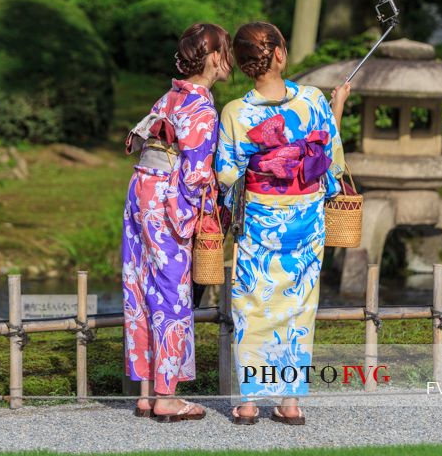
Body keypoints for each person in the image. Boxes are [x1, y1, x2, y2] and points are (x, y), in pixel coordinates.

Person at [215, 21, 350, 425]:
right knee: (299, 306)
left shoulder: (236, 112)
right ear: (279, 54)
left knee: (252, 303)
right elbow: (333, 164)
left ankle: (250, 402)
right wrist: (337, 104)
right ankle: (290, 403)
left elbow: (227, 176)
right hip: (306, 217)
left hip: (261, 219)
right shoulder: (312, 100)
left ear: (242, 64)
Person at [122, 22, 232, 421]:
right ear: (215, 58)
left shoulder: (170, 95)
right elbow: (197, 174)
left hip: (140, 189)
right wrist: (203, 212)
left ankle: (147, 391)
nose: (229, 60)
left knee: (140, 285)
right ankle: (167, 396)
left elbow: (140, 138)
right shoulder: (202, 107)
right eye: (226, 52)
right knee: (171, 290)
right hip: (168, 197)